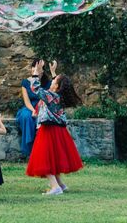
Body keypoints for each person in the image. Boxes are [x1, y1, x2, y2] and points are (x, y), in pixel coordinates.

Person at [25, 62, 83, 196]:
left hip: (49, 130)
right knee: (53, 159)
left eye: (54, 81)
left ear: (56, 86)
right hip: (58, 131)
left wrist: (35, 73)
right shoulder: (58, 96)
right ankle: (60, 184)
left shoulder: (52, 97)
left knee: (44, 159)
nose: (52, 81)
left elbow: (36, 89)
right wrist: (53, 73)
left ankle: (55, 187)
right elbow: (54, 88)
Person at [15, 58, 57, 157]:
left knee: (43, 118)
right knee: (26, 116)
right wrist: (34, 110)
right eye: (34, 67)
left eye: (39, 68)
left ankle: (41, 150)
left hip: (43, 107)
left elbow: (55, 92)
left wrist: (53, 72)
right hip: (30, 107)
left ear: (43, 71)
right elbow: (26, 101)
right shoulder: (25, 82)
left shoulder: (47, 83)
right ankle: (28, 150)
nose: (36, 69)